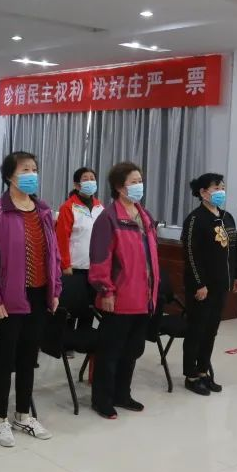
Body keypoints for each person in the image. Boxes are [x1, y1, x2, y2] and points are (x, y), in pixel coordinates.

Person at [0, 151, 61, 447]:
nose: (31, 174)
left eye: (34, 169)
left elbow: (54, 254)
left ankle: (23, 414)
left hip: (39, 295)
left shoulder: (43, 210)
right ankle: (0, 418)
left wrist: (55, 289)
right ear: (9, 175)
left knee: (28, 357)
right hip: (9, 297)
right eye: (25, 169)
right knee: (6, 358)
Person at [87, 162, 159, 419]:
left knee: (132, 351)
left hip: (143, 296)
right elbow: (100, 259)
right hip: (119, 297)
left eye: (140, 181)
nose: (139, 186)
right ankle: (102, 399)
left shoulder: (144, 215)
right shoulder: (108, 218)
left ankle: (122, 394)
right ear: (119, 187)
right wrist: (106, 290)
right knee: (110, 353)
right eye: (133, 182)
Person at [181, 173, 237, 396]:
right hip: (202, 287)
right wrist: (199, 284)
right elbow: (191, 254)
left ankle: (203, 371)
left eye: (222, 187)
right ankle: (191, 375)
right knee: (196, 330)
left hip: (221, 285)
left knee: (211, 331)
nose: (221, 191)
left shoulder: (227, 218)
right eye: (216, 188)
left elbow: (234, 249)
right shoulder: (195, 219)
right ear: (203, 192)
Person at [56, 167, 104, 278]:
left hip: (96, 268)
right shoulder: (68, 207)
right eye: (85, 179)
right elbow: (62, 237)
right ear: (77, 185)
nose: (90, 182)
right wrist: (65, 264)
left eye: (92, 179)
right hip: (74, 268)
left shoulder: (100, 207)